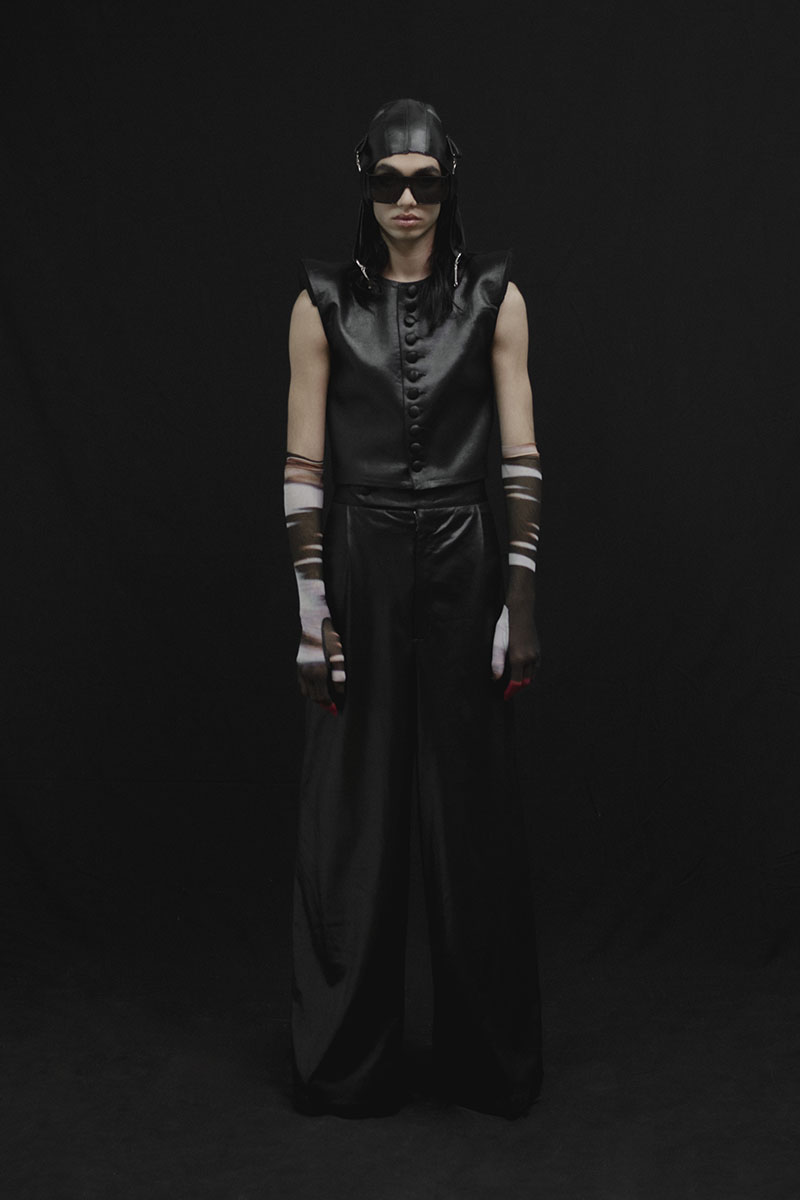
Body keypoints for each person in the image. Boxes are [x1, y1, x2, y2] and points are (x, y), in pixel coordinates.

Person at [283, 98, 543, 1119]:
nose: (405, 200)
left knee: (471, 808)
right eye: (388, 181)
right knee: (353, 809)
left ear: (448, 184)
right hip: (359, 552)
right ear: (364, 183)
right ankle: (344, 1061)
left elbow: (519, 453)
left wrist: (518, 593)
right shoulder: (318, 304)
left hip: (463, 553)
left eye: (424, 181)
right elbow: (303, 465)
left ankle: (490, 1059)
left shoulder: (496, 298)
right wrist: (312, 606)